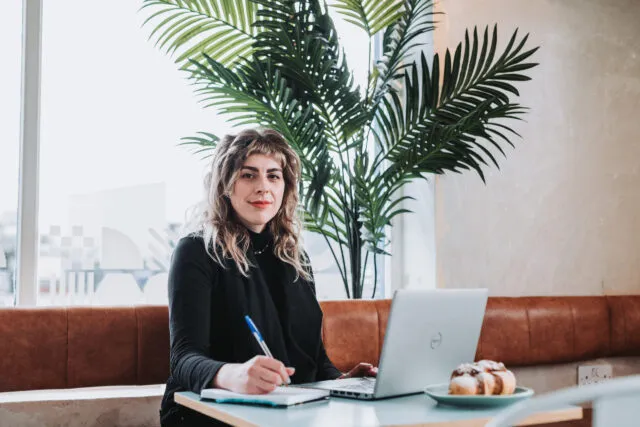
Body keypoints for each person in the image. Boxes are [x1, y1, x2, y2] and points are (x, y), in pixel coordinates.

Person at [160, 128, 377, 427]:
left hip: (287, 413)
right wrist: (234, 375)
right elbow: (183, 359)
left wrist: (343, 382)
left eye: (273, 176)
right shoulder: (196, 251)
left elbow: (314, 359)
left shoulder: (295, 259)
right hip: (207, 414)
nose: (263, 187)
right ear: (225, 185)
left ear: (285, 188)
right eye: (248, 175)